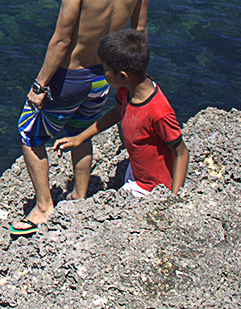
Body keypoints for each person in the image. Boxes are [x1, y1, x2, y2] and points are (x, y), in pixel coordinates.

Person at [9, 0, 149, 237]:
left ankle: (44, 207)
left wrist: (39, 87)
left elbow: (60, 42)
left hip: (71, 77)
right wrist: (131, 84)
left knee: (29, 131)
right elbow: (139, 34)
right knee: (79, 131)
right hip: (107, 77)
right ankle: (81, 195)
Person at [53, 29, 189, 197]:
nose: (104, 75)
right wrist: (79, 138)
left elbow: (181, 152)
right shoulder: (128, 90)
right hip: (135, 172)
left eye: (106, 70)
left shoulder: (158, 112)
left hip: (150, 188)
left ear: (123, 76)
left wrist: (174, 198)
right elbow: (117, 113)